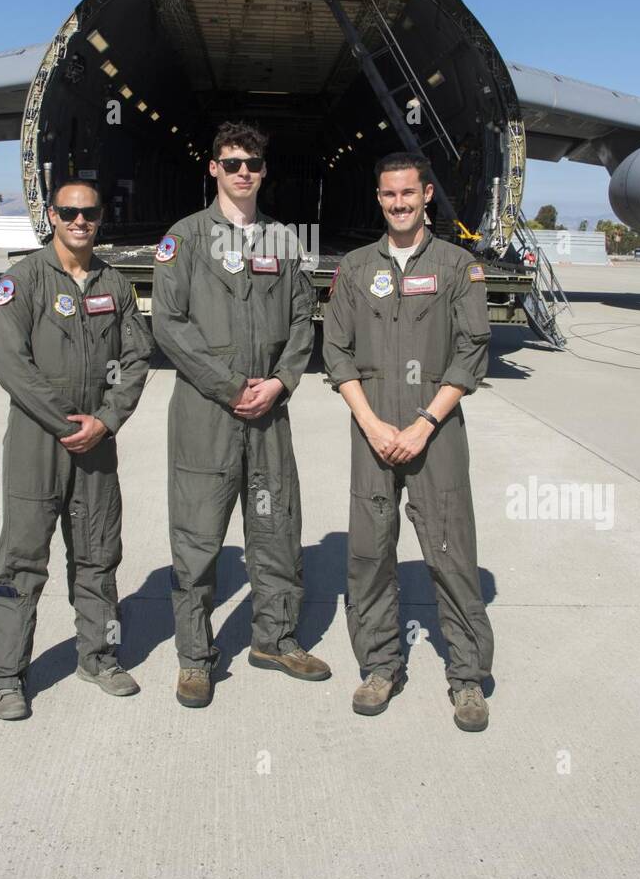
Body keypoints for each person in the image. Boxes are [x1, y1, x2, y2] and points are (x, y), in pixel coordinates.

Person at [151, 122, 331, 707]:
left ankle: (274, 639)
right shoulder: (185, 238)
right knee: (198, 538)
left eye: (252, 162)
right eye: (231, 163)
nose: (243, 172)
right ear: (213, 169)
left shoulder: (283, 240)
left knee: (277, 529)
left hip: (269, 413)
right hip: (207, 414)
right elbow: (169, 325)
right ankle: (196, 658)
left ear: (263, 168)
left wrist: (280, 382)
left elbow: (304, 320)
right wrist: (230, 386)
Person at [322, 153, 493, 730]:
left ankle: (467, 679)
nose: (399, 203)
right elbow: (336, 351)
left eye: (408, 194)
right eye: (389, 194)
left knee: (450, 551)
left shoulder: (456, 266)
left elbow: (473, 350)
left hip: (435, 433)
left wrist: (424, 424)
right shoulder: (354, 267)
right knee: (369, 555)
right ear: (379, 198)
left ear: (426, 197)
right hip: (372, 431)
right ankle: (379, 666)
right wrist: (371, 423)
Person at [0, 179, 153, 719]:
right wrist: (64, 423)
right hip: (39, 440)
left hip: (97, 443)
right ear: (52, 215)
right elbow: (11, 365)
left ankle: (98, 656)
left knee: (99, 551)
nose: (79, 221)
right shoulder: (22, 281)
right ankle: (7, 675)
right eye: (69, 212)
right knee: (22, 557)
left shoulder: (116, 284)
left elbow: (137, 359)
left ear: (101, 217)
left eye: (89, 212)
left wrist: (104, 421)